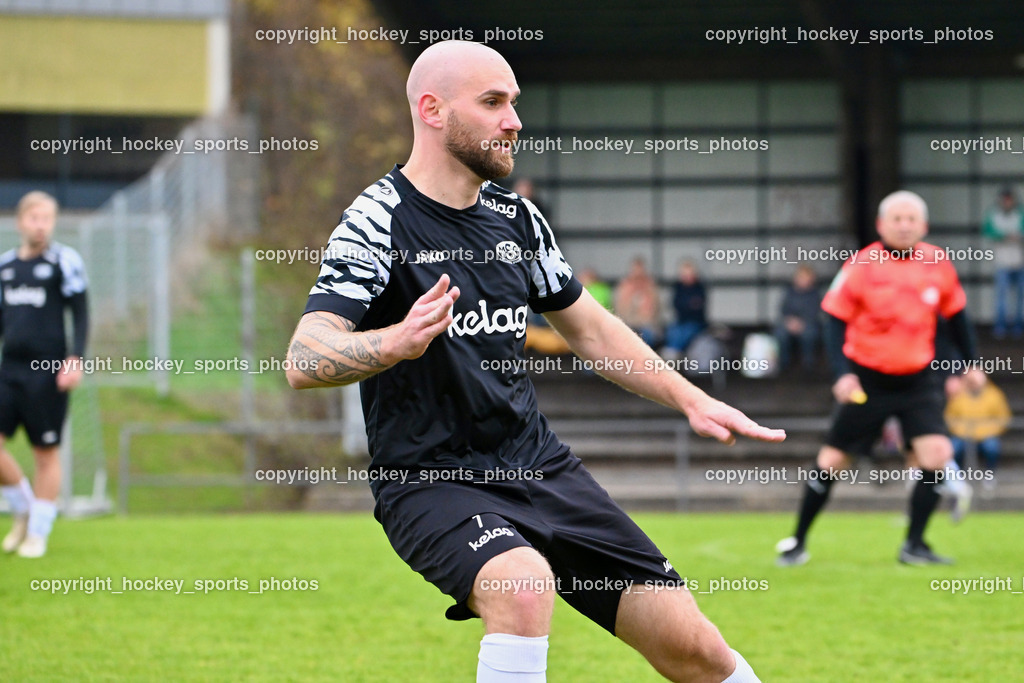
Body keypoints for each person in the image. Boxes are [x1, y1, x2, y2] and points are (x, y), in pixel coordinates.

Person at [286, 41, 784, 683]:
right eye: (493, 103)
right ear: (432, 110)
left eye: (514, 103)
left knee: (698, 652)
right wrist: (393, 342)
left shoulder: (516, 220)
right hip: (431, 479)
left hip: (541, 468)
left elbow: (593, 332)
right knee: (522, 587)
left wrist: (694, 399)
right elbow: (305, 356)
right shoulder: (376, 221)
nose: (514, 121)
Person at [776, 190, 979, 567]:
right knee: (832, 460)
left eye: (911, 219)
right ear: (881, 225)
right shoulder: (860, 265)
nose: (904, 225)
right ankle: (797, 542)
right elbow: (833, 320)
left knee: (937, 455)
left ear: (924, 225)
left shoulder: (938, 262)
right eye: (896, 219)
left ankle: (914, 545)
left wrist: (971, 364)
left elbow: (957, 318)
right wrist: (843, 375)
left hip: (918, 380)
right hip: (867, 381)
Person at [0, 191, 88, 558]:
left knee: (45, 452)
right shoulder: (5, 267)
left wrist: (75, 359)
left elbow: (81, 314)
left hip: (47, 371)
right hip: (9, 369)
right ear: (20, 221)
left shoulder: (63, 262)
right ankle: (23, 507)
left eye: (47, 219)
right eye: (34, 218)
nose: (40, 226)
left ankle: (37, 532)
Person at [945, 370, 1009, 491]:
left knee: (992, 448)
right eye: (971, 381)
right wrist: (963, 430)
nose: (974, 384)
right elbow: (950, 417)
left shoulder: (994, 395)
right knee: (952, 449)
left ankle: (989, 476)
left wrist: (986, 430)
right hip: (963, 434)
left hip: (987, 434)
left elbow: (1003, 418)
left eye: (976, 382)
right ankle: (957, 478)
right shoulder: (958, 394)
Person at [983, 187, 1024, 338]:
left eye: (1009, 199)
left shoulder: (1020, 214)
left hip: (1019, 261)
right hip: (1002, 262)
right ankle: (1000, 325)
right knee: (1001, 296)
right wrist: (1005, 236)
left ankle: (1018, 325)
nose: (1007, 202)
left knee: (1020, 296)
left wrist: (1017, 236)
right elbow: (988, 232)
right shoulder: (994, 215)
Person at [773, 265, 821, 372]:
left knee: (809, 334)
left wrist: (801, 323)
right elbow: (783, 310)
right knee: (780, 334)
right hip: (789, 322)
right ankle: (783, 364)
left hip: (808, 323)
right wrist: (790, 321)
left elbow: (815, 312)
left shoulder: (815, 294)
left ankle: (809, 365)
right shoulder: (789, 292)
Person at [615, 256, 662, 347]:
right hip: (628, 324)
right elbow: (620, 309)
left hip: (647, 325)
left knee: (649, 336)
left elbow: (656, 308)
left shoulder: (650, 286)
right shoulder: (625, 286)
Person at [664, 260, 707, 355]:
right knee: (673, 330)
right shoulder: (678, 287)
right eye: (685, 274)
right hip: (680, 321)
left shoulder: (699, 287)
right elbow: (676, 304)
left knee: (688, 330)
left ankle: (674, 352)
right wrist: (688, 304)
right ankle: (672, 351)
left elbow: (697, 306)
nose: (687, 277)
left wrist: (686, 305)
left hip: (696, 322)